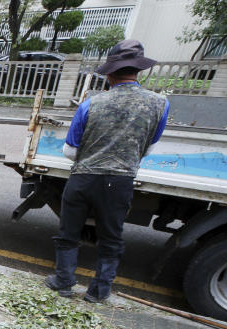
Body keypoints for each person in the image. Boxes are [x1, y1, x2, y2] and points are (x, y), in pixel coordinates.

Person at [45, 39, 169, 302]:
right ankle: (99, 291)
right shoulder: (160, 104)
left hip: (83, 178)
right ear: (138, 71)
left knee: (69, 233)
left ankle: (64, 281)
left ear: (110, 73)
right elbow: (148, 149)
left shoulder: (91, 103)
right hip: (120, 181)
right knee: (111, 237)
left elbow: (70, 151)